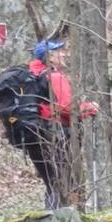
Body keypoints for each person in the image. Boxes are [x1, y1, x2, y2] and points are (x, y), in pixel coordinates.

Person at [18, 38, 98, 209]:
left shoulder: (34, 76)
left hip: (35, 136)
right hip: (55, 135)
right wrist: (89, 108)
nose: (64, 54)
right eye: (59, 51)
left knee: (52, 182)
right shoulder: (54, 77)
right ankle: (61, 219)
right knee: (63, 182)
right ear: (50, 57)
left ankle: (52, 216)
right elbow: (67, 108)